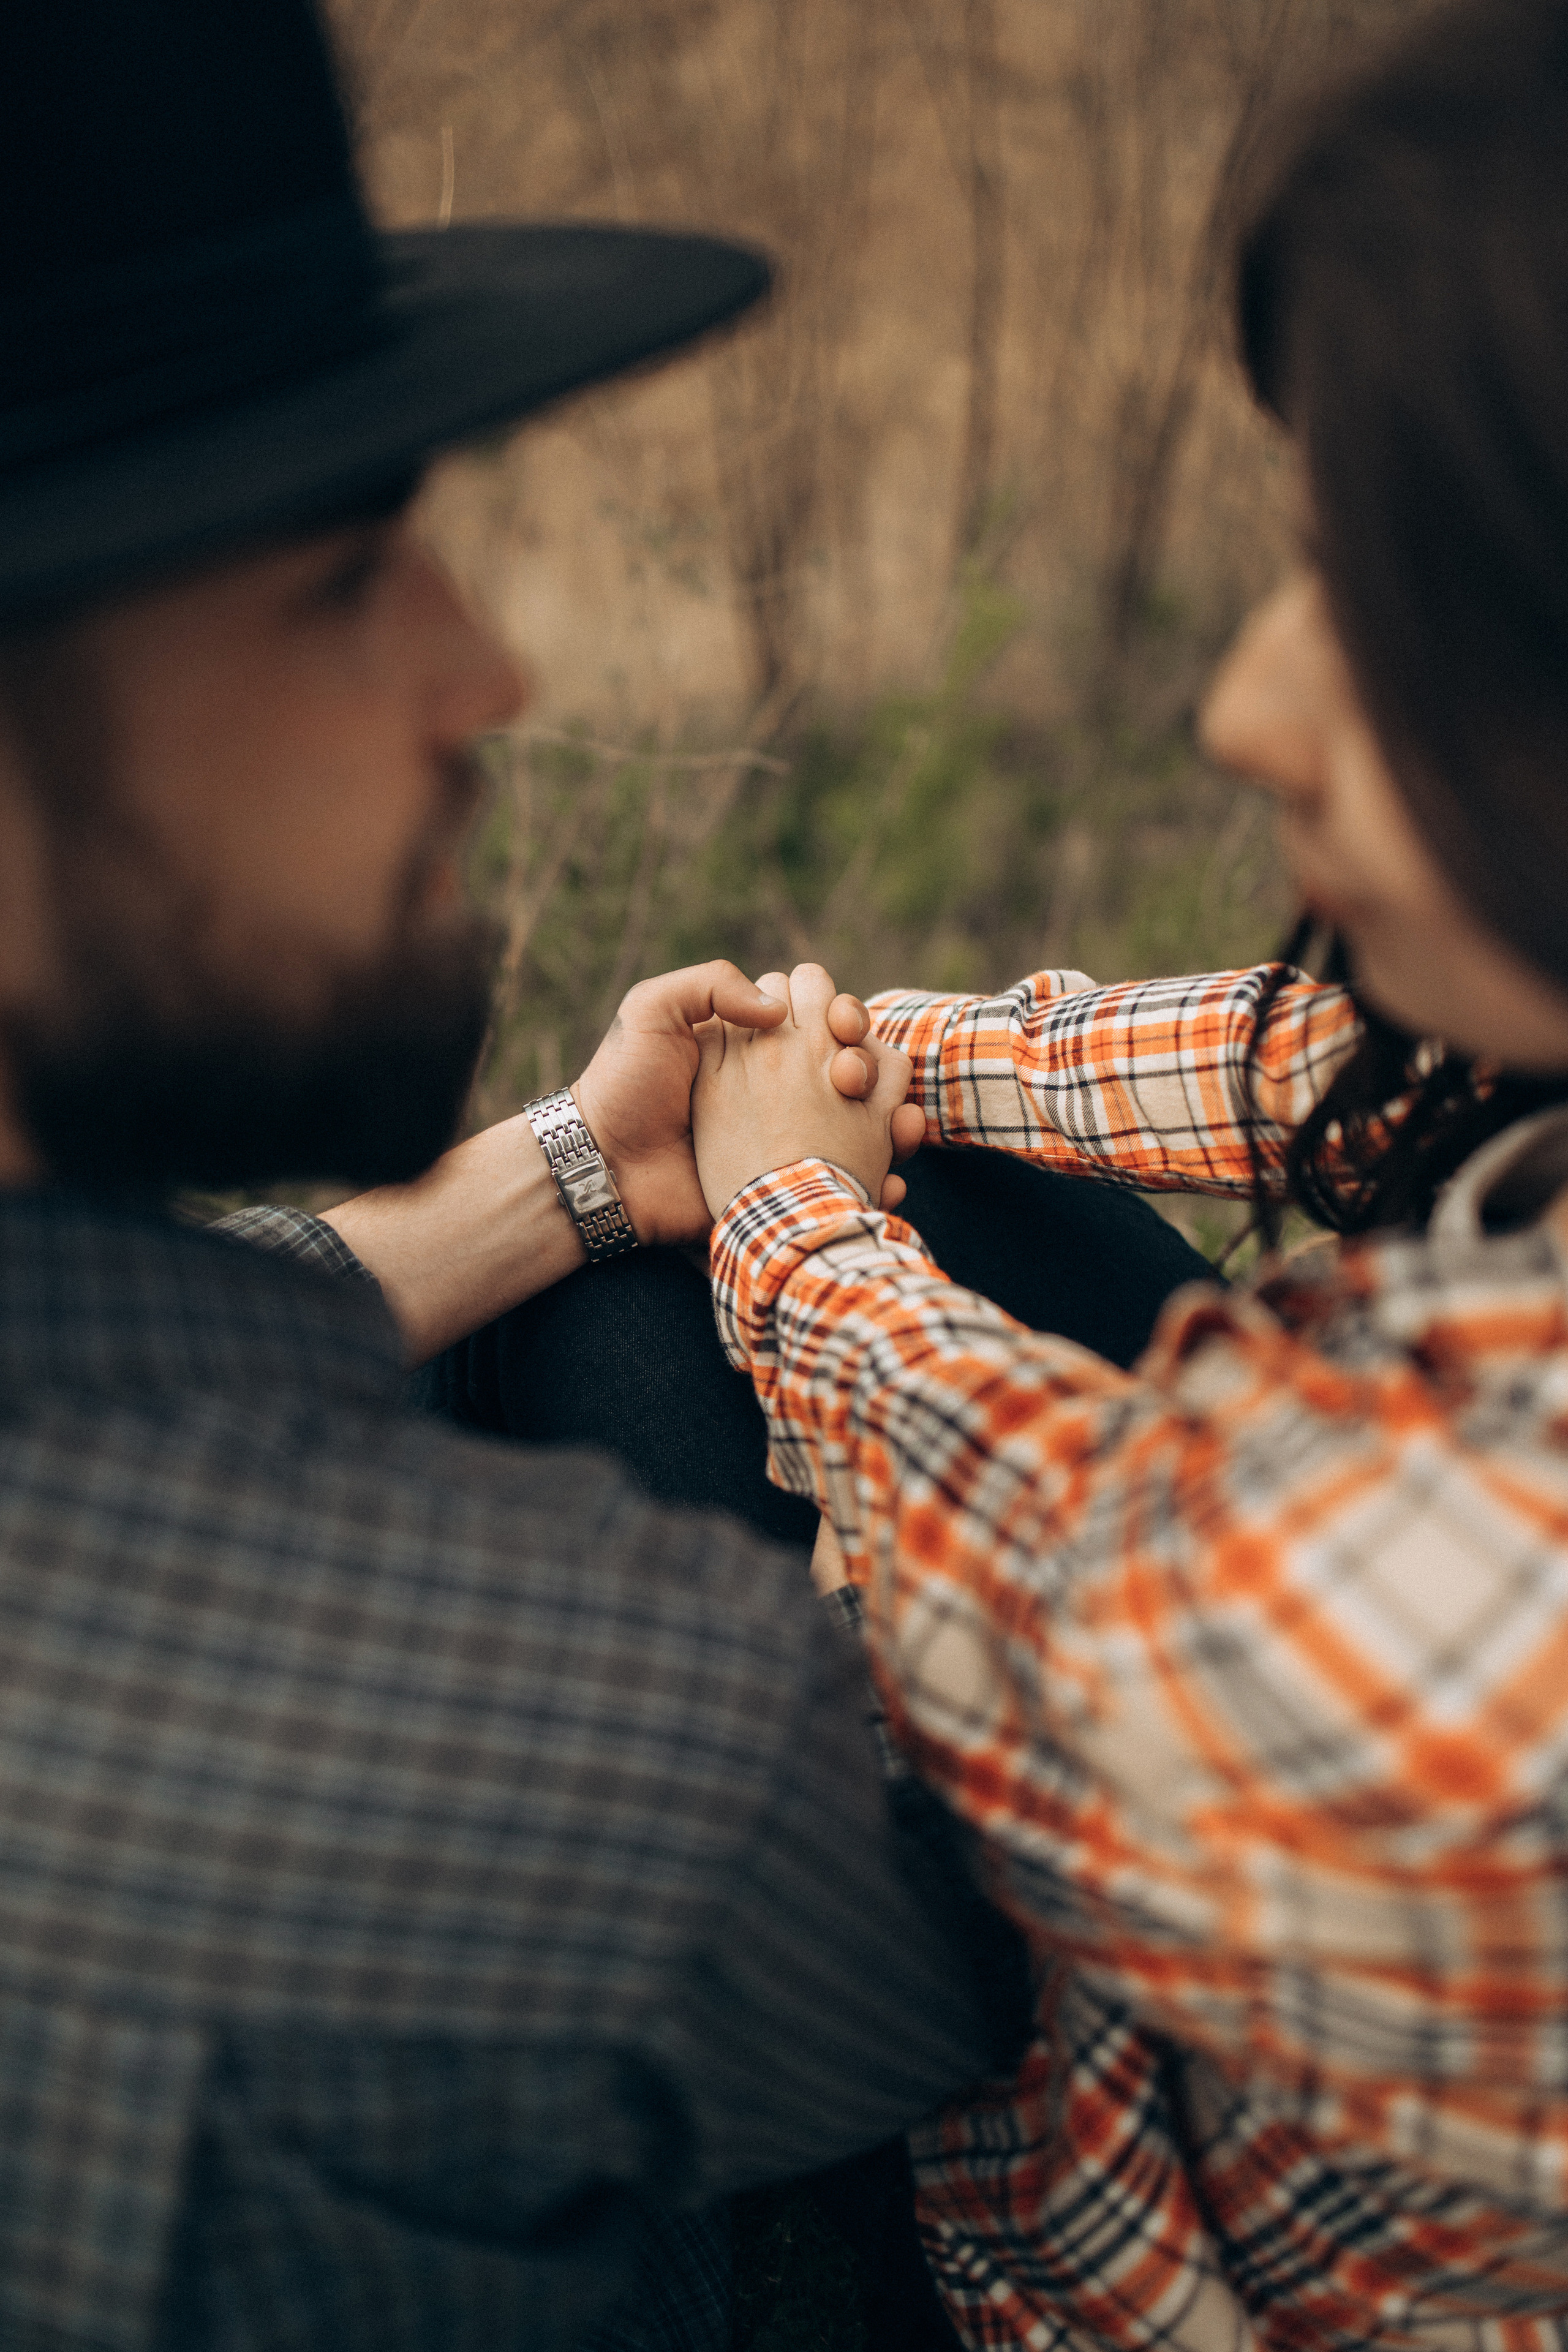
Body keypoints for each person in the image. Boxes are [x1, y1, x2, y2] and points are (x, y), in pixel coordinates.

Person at [0, 6, 1052, 2346]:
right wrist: (827, 1257)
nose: (484, 671)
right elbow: (927, 2006)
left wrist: (572, 1174)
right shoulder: (588, 1724)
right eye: (339, 581)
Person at [674, 1, 1568, 2346]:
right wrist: (901, 1062)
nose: (1245, 708)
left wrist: (792, 1217)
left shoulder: (1477, 1613)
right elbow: (1329, 1067)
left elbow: (1067, 1573)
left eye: (1386, 594)